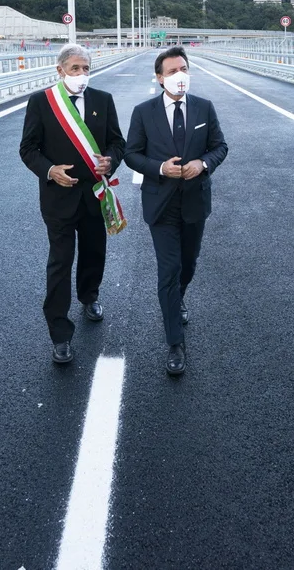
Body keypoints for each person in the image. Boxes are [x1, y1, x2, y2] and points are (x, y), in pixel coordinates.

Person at [124, 46, 228, 376]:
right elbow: (131, 154)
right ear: (159, 78)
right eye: (171, 72)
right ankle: (175, 342)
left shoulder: (204, 108)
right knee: (168, 270)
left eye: (183, 68)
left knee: (188, 263)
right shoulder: (144, 112)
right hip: (161, 203)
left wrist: (204, 163)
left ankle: (178, 297)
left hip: (195, 201)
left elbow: (220, 147)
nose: (179, 75)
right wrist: (159, 169)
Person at [19, 44, 126, 364]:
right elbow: (28, 149)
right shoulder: (42, 102)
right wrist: (50, 171)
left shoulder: (102, 101)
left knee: (94, 252)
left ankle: (89, 296)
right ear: (60, 70)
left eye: (86, 69)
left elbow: (117, 142)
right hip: (58, 199)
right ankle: (60, 332)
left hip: (95, 194)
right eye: (75, 68)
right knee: (60, 262)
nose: (81, 74)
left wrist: (111, 162)